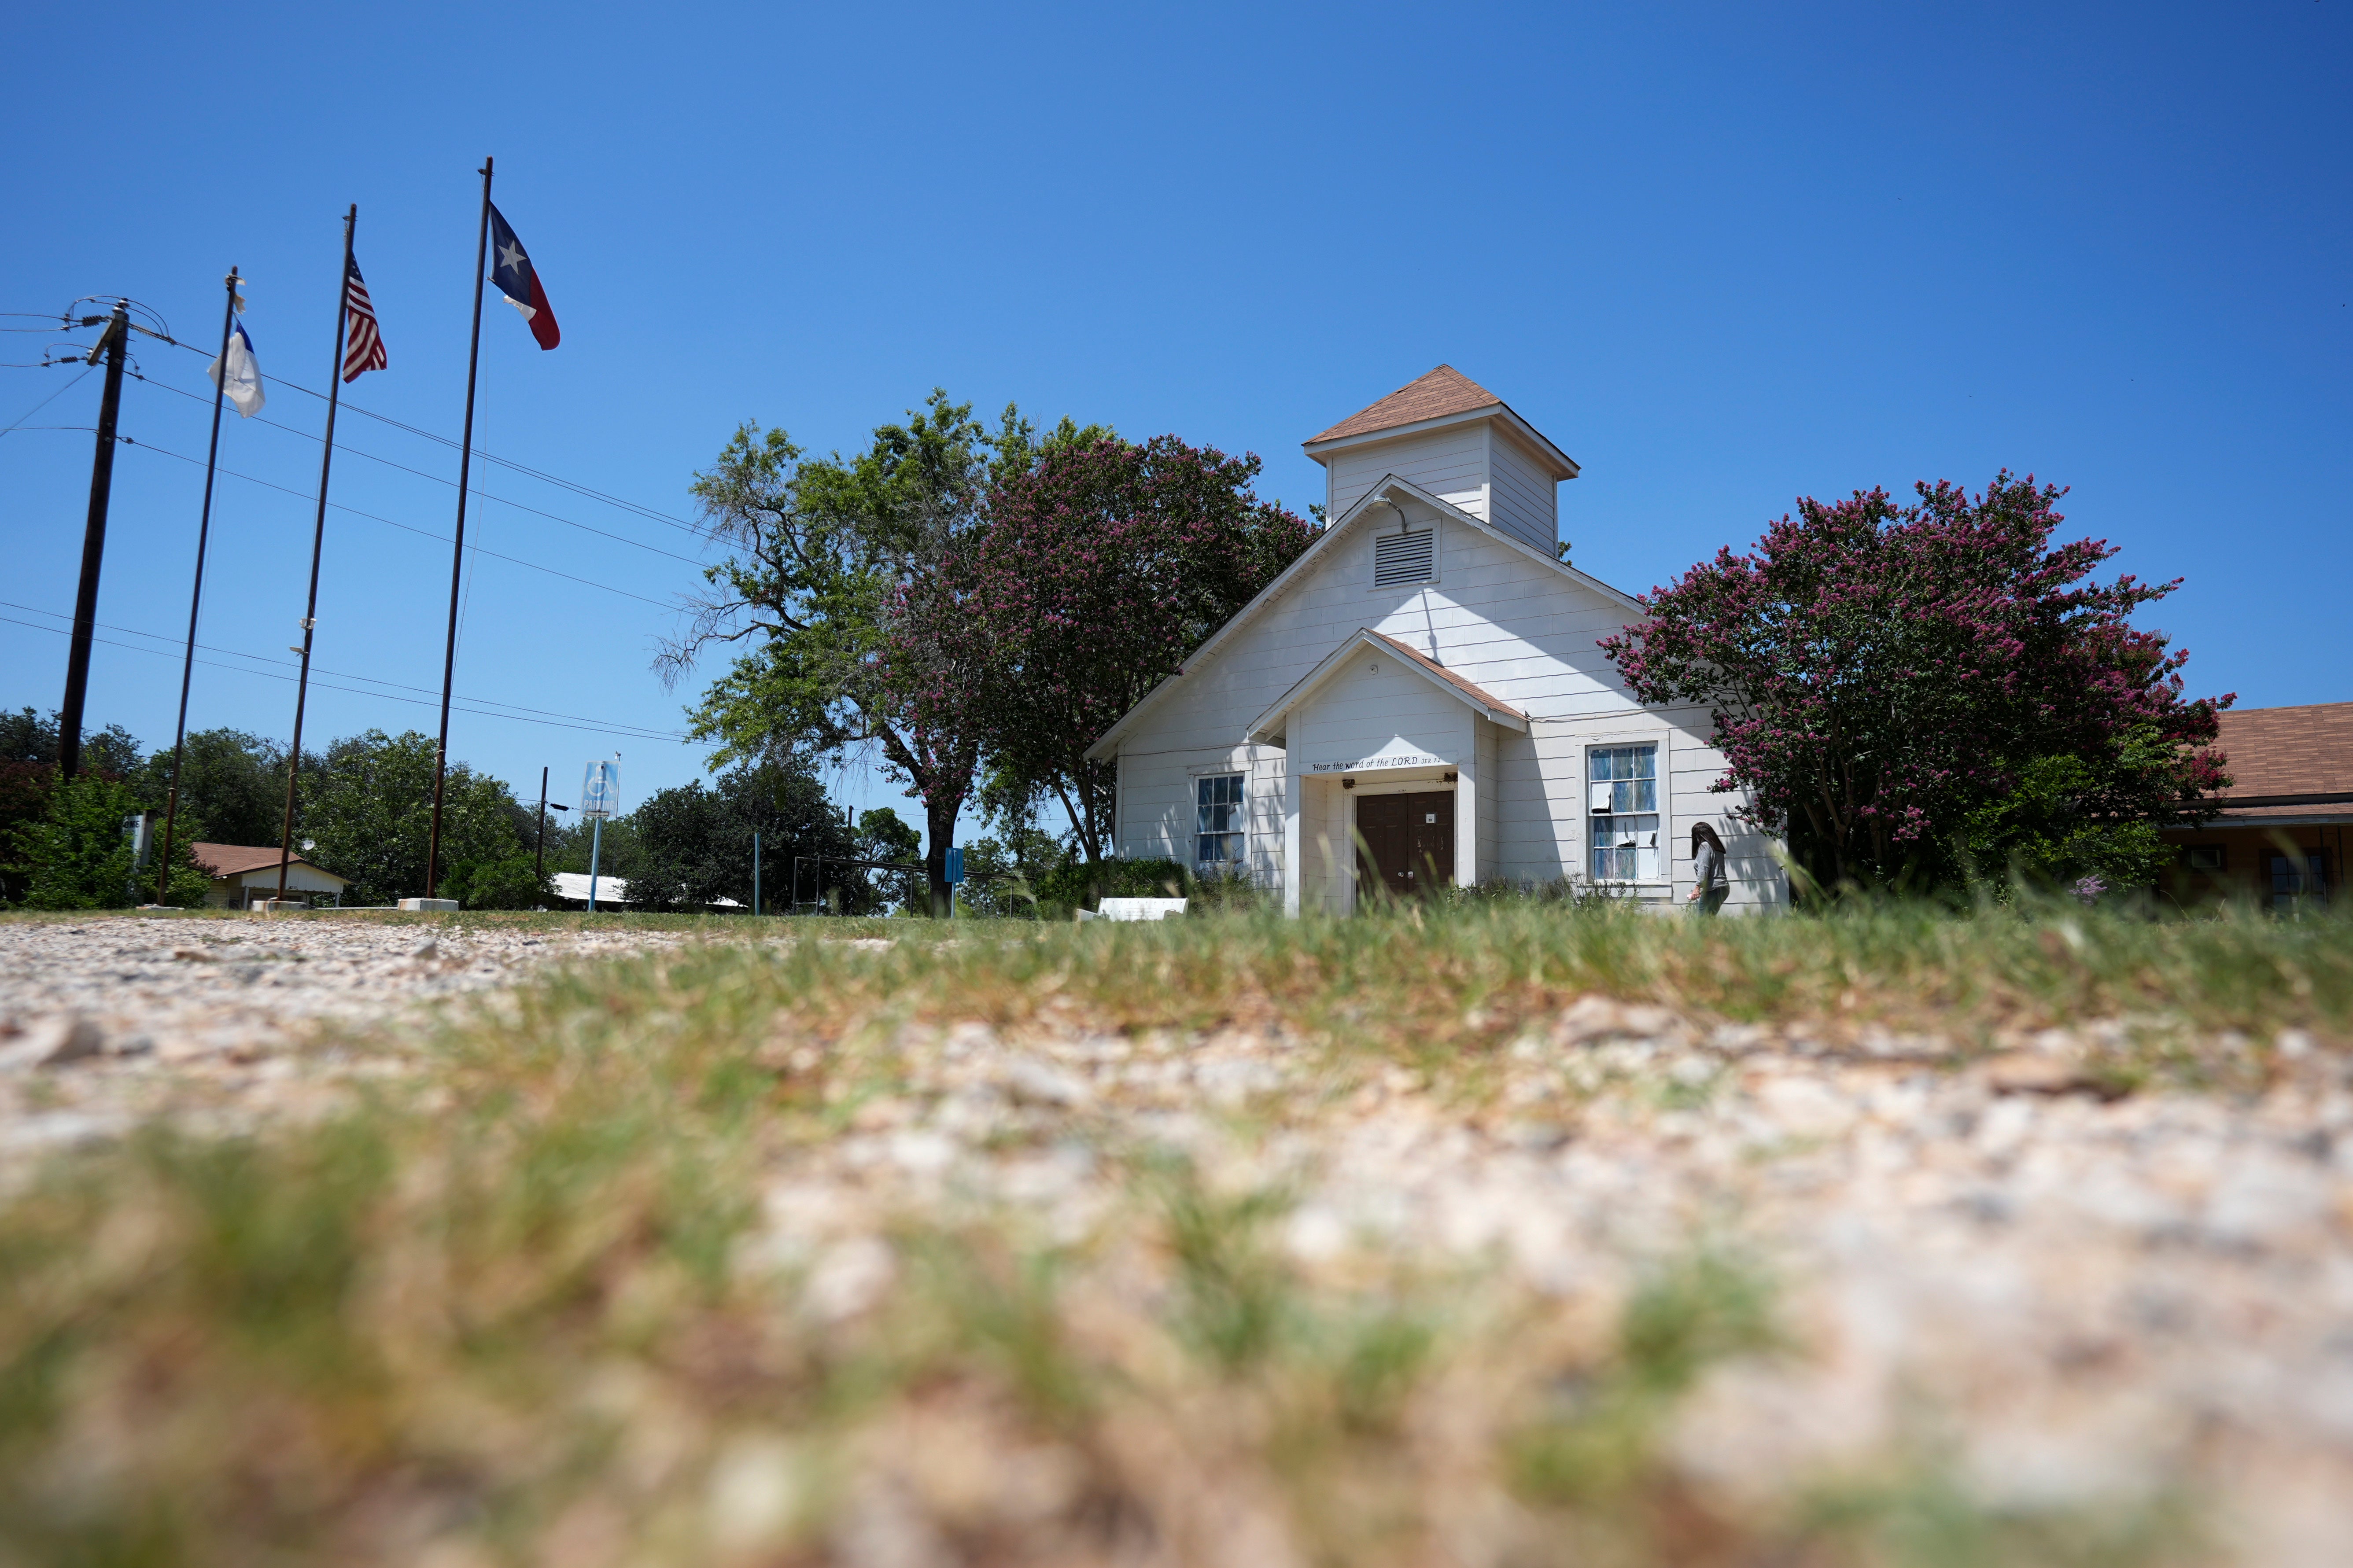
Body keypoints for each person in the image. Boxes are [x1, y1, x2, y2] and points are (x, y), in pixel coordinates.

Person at [1688, 822, 1730, 915]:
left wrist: (1697, 888)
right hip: (1723, 888)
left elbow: (1704, 869)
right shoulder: (1716, 847)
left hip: (1714, 889)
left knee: (1703, 919)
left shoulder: (1705, 846)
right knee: (1710, 918)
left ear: (1698, 836)